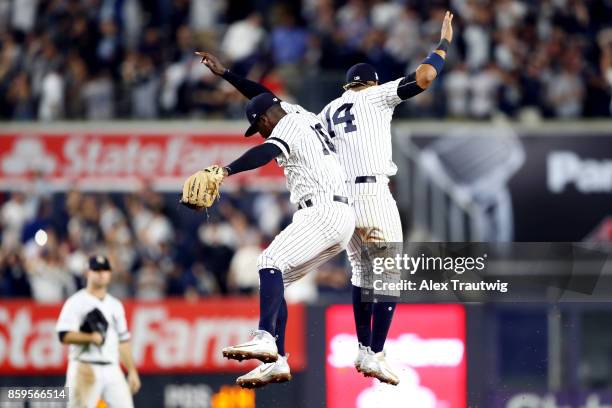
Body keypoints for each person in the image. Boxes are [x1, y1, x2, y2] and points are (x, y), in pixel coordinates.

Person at [194, 10, 454, 386]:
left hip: (342, 199)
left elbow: (267, 101)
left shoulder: (322, 113)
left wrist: (226, 76)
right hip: (370, 193)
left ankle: (289, 349)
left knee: (358, 272)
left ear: (348, 86)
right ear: (371, 83)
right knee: (384, 276)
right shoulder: (375, 96)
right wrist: (443, 44)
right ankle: (372, 351)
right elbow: (426, 77)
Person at [181, 91, 355, 388]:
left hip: (323, 209)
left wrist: (226, 170)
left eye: (258, 128)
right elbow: (262, 93)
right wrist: (225, 75)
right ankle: (279, 361)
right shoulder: (302, 114)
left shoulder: (285, 124)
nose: (260, 134)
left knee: (268, 260)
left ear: (264, 120)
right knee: (278, 278)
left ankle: (264, 337)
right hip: (338, 213)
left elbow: (265, 152)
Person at [56, 255, 141, 407]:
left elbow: (123, 342)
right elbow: (63, 335)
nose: (101, 273)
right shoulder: (76, 302)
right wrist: (90, 337)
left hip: (112, 367)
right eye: (97, 270)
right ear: (88, 273)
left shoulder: (115, 305)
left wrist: (132, 370)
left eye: (105, 269)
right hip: (84, 366)